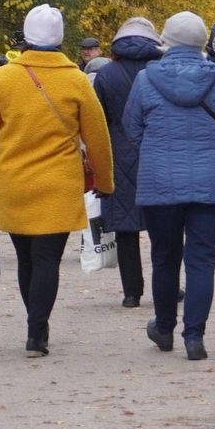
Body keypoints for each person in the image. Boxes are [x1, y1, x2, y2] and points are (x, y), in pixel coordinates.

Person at [0, 5, 114, 356]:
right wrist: (104, 182)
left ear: (27, 37)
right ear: (60, 39)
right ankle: (37, 331)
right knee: (48, 259)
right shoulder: (76, 78)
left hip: (14, 182)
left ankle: (34, 324)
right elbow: (98, 139)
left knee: (27, 258)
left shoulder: (4, 78)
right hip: (59, 183)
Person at [123, 11, 215, 361]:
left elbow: (132, 129)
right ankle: (194, 336)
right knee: (202, 260)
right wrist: (213, 153)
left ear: (167, 41)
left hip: (160, 181)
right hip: (210, 182)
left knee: (164, 257)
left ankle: (164, 327)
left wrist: (157, 150)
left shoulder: (146, 80)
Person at [93, 16, 163, 308]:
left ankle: (131, 292)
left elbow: (99, 119)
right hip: (158, 151)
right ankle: (166, 285)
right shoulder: (160, 70)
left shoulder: (106, 74)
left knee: (125, 228)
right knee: (165, 226)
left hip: (118, 153)